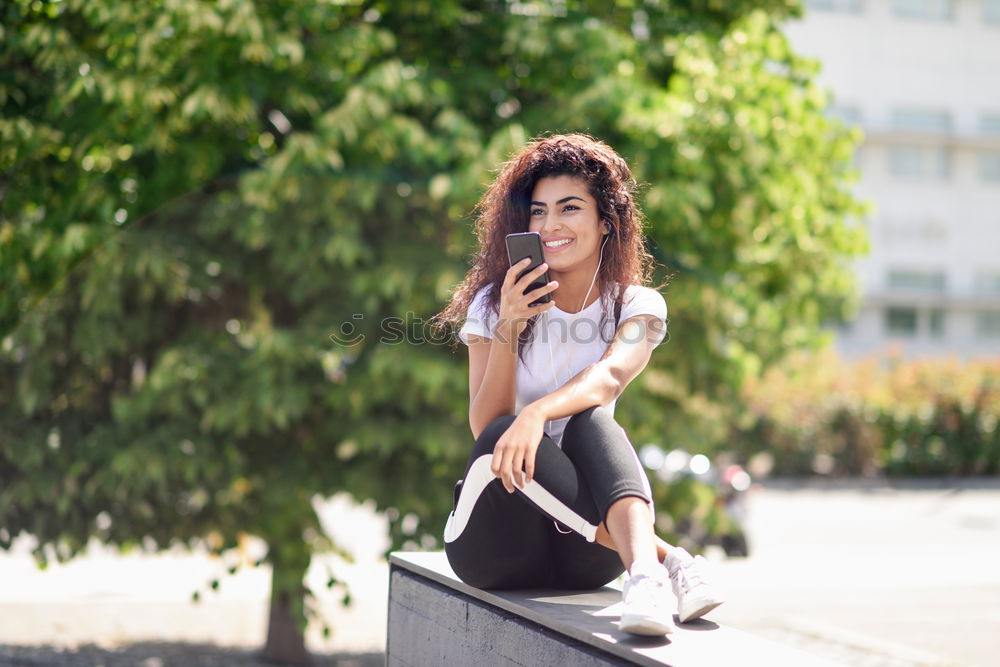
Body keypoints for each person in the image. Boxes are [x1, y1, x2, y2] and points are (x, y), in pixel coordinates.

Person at [432, 133, 724, 635]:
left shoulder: (638, 306)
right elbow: (486, 426)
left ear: (605, 222)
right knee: (503, 433)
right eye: (538, 212)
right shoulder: (491, 305)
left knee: (592, 419)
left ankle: (643, 584)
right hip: (496, 543)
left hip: (586, 552)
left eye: (569, 208)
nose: (550, 225)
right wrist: (509, 325)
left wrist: (538, 412)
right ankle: (668, 562)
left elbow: (609, 377)